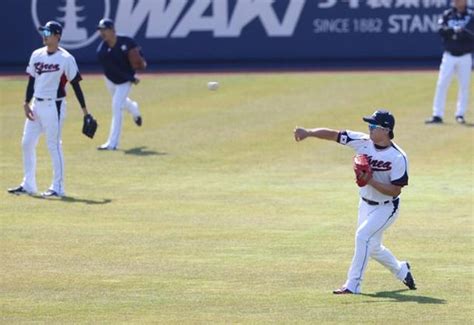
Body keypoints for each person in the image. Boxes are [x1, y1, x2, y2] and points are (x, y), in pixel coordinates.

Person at [294, 110, 416, 294]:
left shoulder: (398, 157)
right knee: (372, 247)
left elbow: (395, 190)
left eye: (373, 126)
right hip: (365, 204)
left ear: (386, 130)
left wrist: (371, 181)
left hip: (387, 207)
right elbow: (334, 135)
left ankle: (353, 284)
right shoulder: (362, 141)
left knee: (362, 237)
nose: (369, 129)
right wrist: (309, 133)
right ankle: (401, 269)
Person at [7, 21, 93, 198]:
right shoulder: (36, 55)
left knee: (53, 145)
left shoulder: (66, 59)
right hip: (36, 106)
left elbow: (76, 85)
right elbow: (32, 81)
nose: (44, 35)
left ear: (57, 36)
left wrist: (85, 112)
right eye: (43, 31)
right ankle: (29, 184)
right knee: (27, 143)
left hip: (55, 106)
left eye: (48, 32)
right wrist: (26, 102)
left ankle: (58, 187)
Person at [96, 18, 143, 151]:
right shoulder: (102, 52)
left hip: (124, 81)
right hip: (111, 79)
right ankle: (133, 108)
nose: (102, 33)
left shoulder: (127, 41)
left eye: (104, 30)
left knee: (117, 106)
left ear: (112, 30)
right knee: (121, 102)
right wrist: (132, 77)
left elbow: (139, 55)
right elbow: (114, 71)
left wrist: (141, 63)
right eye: (100, 30)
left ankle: (112, 143)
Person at [426, 0, 474, 124]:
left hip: (465, 56)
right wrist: (454, 31)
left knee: (464, 86)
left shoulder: (471, 15)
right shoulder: (447, 14)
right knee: (442, 84)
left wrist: (460, 33)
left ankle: (460, 114)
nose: (457, 2)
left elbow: (471, 34)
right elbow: (441, 29)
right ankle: (437, 115)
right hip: (449, 55)